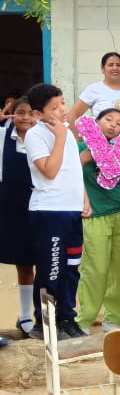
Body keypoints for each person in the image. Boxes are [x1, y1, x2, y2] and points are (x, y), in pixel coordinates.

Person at [24, 84, 91, 339]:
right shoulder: (36, 135)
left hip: (71, 210)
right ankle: (44, 323)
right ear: (39, 114)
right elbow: (49, 171)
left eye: (63, 103)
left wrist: (83, 198)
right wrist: (61, 138)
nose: (62, 110)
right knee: (52, 268)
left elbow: (74, 170)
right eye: (55, 107)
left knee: (72, 267)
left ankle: (66, 317)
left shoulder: (67, 134)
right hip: (50, 211)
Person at [75, 108, 120, 333]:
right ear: (96, 122)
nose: (113, 125)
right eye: (108, 119)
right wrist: (83, 159)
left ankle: (114, 319)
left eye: (119, 123)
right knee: (95, 268)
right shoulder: (80, 148)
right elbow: (68, 175)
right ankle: (85, 319)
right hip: (94, 214)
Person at [0, 98, 37, 337]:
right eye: (19, 113)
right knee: (14, 261)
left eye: (29, 113)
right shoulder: (3, 136)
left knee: (29, 262)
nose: (24, 118)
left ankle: (26, 316)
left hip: (35, 206)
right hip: (7, 206)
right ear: (11, 115)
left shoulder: (43, 138)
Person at [68, 52, 120, 127]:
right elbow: (72, 116)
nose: (115, 68)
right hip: (102, 138)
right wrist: (78, 137)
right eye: (110, 65)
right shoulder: (94, 89)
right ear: (102, 68)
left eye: (118, 65)